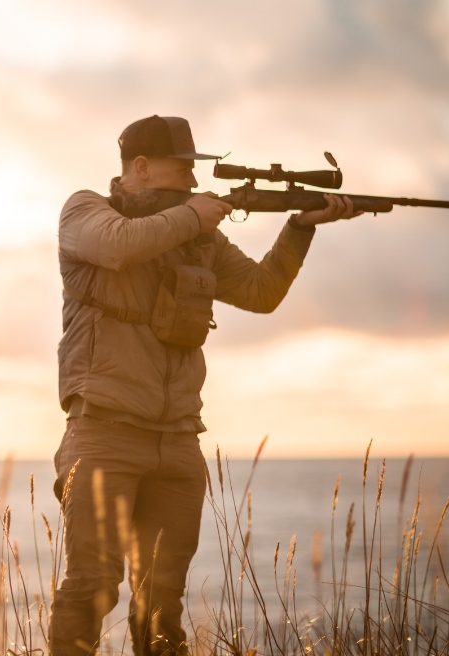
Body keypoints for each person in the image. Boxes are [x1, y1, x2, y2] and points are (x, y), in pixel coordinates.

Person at [49, 115, 368, 656]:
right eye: (182, 169)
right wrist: (193, 216)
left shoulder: (200, 237)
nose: (194, 181)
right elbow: (117, 245)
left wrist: (300, 227)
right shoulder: (85, 211)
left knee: (162, 604)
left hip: (178, 442)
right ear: (141, 168)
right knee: (92, 586)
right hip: (103, 434)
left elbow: (261, 292)